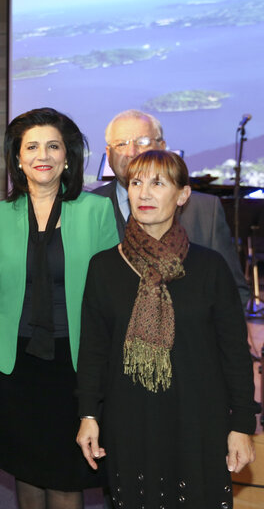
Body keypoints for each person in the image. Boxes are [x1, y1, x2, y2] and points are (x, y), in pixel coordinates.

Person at [77, 149, 257, 509]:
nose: (143, 193)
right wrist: (88, 415)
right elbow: (93, 352)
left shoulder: (210, 267)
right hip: (129, 419)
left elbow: (235, 354)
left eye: (158, 183)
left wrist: (241, 426)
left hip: (198, 420)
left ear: (183, 195)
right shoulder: (104, 267)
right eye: (136, 182)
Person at [0, 108, 119, 509]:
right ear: (17, 158)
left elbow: (112, 296)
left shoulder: (96, 211)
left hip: (76, 363)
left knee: (68, 473)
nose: (43, 154)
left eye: (53, 146)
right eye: (32, 146)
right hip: (14, 364)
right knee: (28, 470)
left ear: (67, 157)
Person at [93, 109, 249, 305]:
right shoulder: (88, 208)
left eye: (142, 142)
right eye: (121, 144)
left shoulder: (205, 211)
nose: (131, 152)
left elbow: (233, 291)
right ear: (108, 154)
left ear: (162, 147)